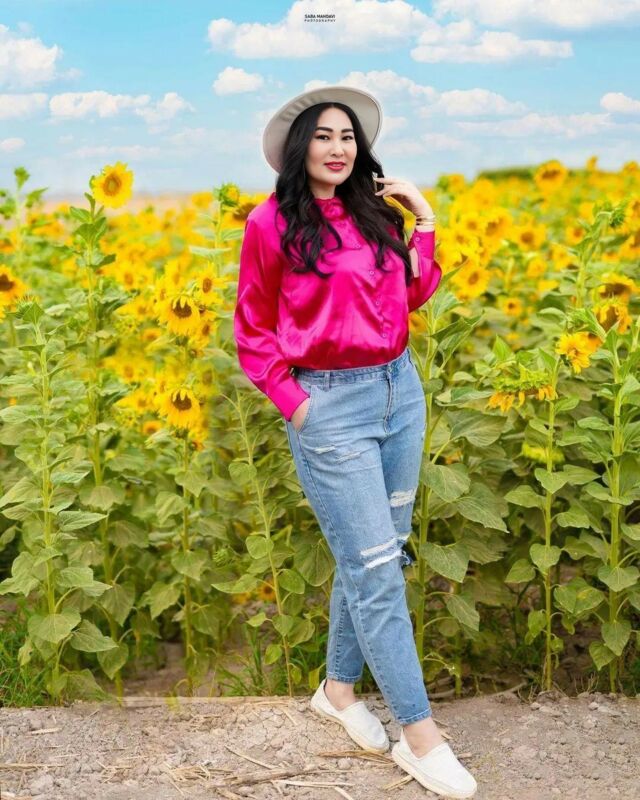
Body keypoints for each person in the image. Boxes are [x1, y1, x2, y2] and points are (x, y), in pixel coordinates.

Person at [233, 85, 477, 798]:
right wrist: (298, 407)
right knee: (376, 570)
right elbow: (252, 331)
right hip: (332, 409)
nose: (338, 148)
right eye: (323, 136)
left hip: (400, 393)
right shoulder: (270, 223)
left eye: (347, 136)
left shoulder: (373, 213)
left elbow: (409, 295)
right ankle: (420, 738)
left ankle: (337, 691)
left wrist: (423, 220)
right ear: (298, 146)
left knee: (376, 554)